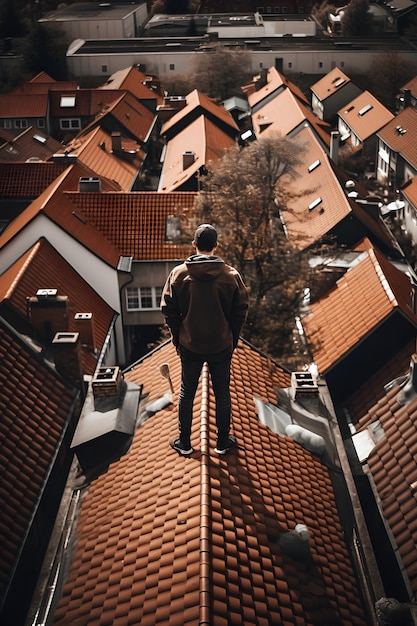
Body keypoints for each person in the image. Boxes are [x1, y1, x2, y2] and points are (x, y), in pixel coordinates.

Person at [161, 224, 249, 456]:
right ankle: (221, 443)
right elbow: (240, 311)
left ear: (194, 245)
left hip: (190, 345)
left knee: (186, 393)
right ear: (216, 245)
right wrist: (233, 338)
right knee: (222, 393)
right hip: (221, 345)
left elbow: (168, 310)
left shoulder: (178, 274)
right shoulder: (231, 276)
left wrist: (177, 338)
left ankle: (185, 443)